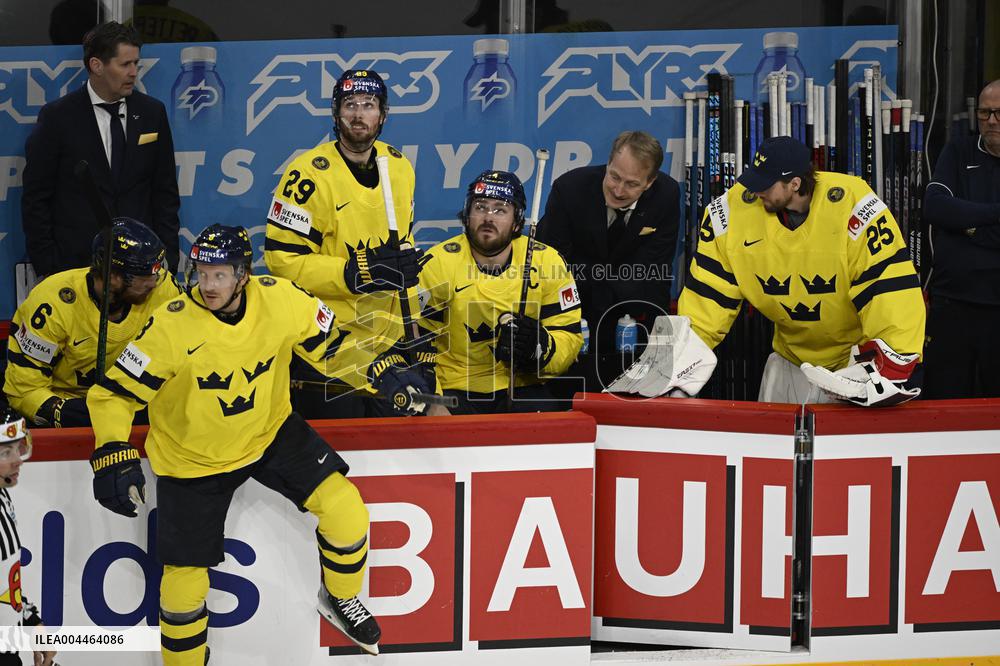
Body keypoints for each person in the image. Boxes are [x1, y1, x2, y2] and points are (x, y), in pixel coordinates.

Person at [86, 225, 410, 663]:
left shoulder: (281, 299)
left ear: (243, 275)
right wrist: (110, 451)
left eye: (220, 275)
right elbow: (113, 395)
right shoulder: (173, 325)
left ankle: (340, 598)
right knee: (183, 587)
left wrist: (378, 369)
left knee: (346, 509)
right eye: (202, 273)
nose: (208, 285)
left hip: (269, 430)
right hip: (192, 457)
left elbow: (333, 347)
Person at [677, 136, 925, 406]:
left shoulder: (854, 205)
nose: (755, 191)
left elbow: (889, 288)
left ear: (795, 184)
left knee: (843, 448)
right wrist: (679, 365)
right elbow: (707, 296)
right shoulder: (732, 212)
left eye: (765, 184)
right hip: (788, 360)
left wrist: (890, 365)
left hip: (851, 365)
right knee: (769, 446)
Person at [264, 69, 424, 418]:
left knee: (391, 456)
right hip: (326, 343)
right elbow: (282, 260)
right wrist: (354, 272)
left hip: (387, 340)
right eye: (350, 104)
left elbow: (404, 246)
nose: (358, 114)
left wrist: (413, 324)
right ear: (336, 113)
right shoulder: (305, 175)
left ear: (382, 115)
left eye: (368, 104)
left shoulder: (399, 166)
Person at [22, 21, 181, 276]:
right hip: (76, 267)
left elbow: (165, 193)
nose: (133, 73)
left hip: (141, 269)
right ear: (96, 65)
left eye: (136, 64)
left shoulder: (152, 113)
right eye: (125, 64)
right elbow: (36, 198)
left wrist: (168, 258)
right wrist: (49, 266)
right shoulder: (58, 117)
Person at [418, 170, 582, 414]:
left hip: (522, 385)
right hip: (453, 388)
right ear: (467, 214)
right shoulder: (437, 264)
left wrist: (540, 347)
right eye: (481, 207)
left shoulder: (548, 262)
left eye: (500, 210)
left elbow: (570, 337)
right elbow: (415, 344)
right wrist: (432, 399)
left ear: (517, 221)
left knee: (547, 421)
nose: (488, 217)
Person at [536, 130, 680, 393]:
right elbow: (553, 268)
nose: (618, 189)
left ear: (650, 183)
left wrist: (656, 343)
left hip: (628, 320)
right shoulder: (568, 190)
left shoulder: (666, 196)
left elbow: (656, 272)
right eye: (614, 176)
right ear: (609, 163)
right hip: (572, 315)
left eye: (632, 184)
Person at [5, 218, 179, 427]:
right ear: (113, 276)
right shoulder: (50, 303)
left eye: (157, 272)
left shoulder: (164, 290)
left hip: (135, 401)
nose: (155, 282)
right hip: (69, 404)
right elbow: (23, 390)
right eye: (144, 276)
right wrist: (62, 411)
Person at [922, 79, 1000, 399]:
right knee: (941, 405)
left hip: (997, 310)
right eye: (984, 112)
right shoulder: (958, 150)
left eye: (998, 113)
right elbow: (936, 208)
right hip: (951, 304)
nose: (991, 120)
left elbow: (954, 216)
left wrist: (966, 224)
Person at [0, 407, 57, 666]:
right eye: (5, 453)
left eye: (18, 448)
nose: (18, 460)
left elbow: (4, 586)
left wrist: (31, 620)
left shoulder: (2, 494)